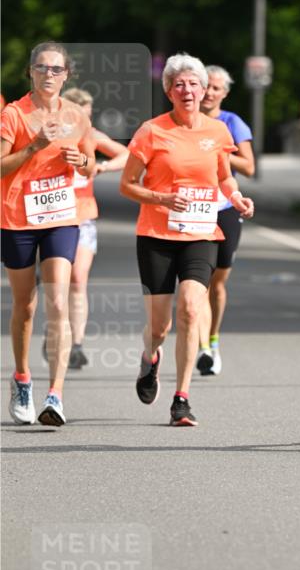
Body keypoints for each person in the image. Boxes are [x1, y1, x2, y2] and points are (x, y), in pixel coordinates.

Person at [119, 53, 254, 427]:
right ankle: (150, 356)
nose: (187, 90)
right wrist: (161, 198)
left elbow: (224, 177)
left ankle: (182, 398)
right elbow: (127, 185)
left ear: (202, 88)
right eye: (179, 84)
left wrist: (237, 196)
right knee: (160, 326)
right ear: (169, 91)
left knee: (193, 309)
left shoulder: (218, 132)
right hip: (156, 236)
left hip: (200, 232)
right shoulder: (151, 131)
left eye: (193, 83)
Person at [1, 41, 95, 426]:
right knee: (25, 307)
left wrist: (81, 160)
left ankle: (54, 394)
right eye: (42, 68)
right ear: (31, 72)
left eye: (56, 70)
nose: (49, 75)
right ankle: (22, 377)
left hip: (60, 215)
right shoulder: (13, 114)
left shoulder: (76, 116)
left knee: (58, 301)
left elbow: (90, 166)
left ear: (66, 75)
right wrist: (34, 146)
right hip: (17, 217)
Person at [60, 88, 129, 369]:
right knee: (57, 284)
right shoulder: (51, 136)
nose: (87, 120)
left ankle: (76, 344)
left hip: (84, 216)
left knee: (78, 279)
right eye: (81, 115)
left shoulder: (92, 135)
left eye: (89, 115)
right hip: (53, 217)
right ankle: (58, 332)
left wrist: (101, 167)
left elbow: (126, 154)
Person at [196, 65, 255, 376]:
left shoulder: (232, 123)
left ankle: (213, 339)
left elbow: (248, 166)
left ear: (225, 93)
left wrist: (218, 148)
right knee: (198, 281)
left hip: (225, 206)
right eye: (205, 86)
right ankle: (202, 346)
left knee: (217, 283)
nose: (209, 93)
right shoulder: (188, 121)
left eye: (216, 88)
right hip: (195, 207)